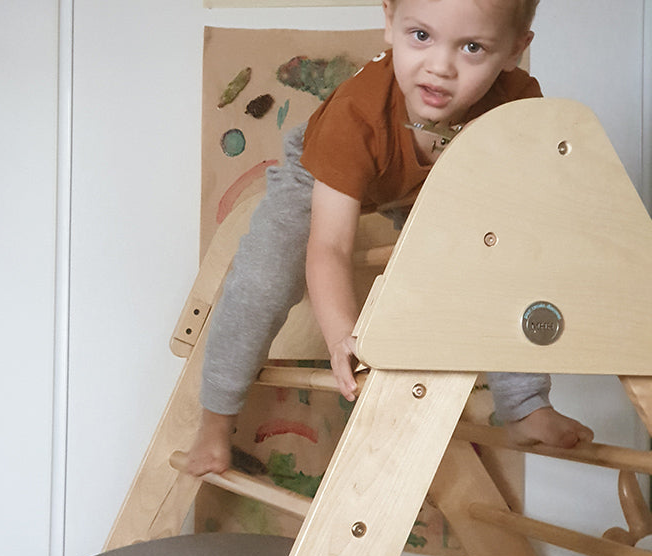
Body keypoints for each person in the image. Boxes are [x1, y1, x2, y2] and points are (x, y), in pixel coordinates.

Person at [187, 0, 593, 476]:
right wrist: (344, 337)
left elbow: (514, 217)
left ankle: (524, 406)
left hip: (431, 180)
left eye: (472, 47)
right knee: (265, 276)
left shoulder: (516, 106)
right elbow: (330, 246)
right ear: (389, 22)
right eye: (421, 36)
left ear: (514, 51)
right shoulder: (356, 114)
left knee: (505, 253)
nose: (440, 67)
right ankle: (215, 422)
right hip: (321, 170)